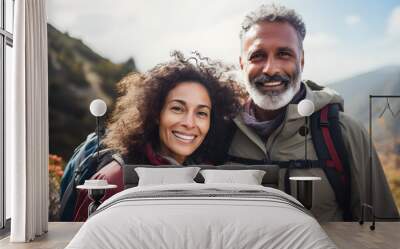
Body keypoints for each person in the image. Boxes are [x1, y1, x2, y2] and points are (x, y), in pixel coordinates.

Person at [227, 4, 399, 221]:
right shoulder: (220, 132)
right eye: (257, 56)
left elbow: (381, 230)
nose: (271, 68)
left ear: (301, 60)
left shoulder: (344, 133)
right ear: (242, 63)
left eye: (284, 54)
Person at [73, 51, 245, 221]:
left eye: (201, 113)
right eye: (177, 108)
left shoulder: (207, 175)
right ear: (156, 113)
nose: (190, 123)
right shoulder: (115, 179)